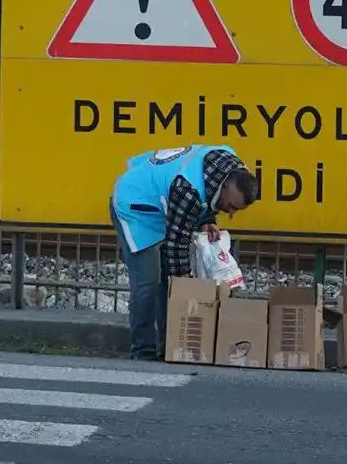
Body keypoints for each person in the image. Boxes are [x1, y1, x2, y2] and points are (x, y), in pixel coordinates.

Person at [110, 145, 261, 361]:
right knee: (149, 282)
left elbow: (207, 195)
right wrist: (187, 288)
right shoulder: (187, 190)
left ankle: (168, 347)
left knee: (166, 281)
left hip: (160, 198)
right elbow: (177, 247)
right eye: (230, 206)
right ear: (225, 185)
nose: (231, 214)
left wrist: (207, 219)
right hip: (136, 205)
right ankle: (143, 351)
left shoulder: (231, 163)